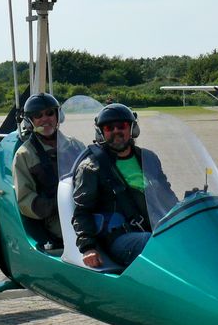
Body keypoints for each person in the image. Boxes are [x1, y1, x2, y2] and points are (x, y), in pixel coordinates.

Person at [71, 103, 176, 268]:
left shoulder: (148, 158)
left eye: (122, 126)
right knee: (150, 243)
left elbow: (167, 197)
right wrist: (88, 247)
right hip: (119, 237)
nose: (116, 131)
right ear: (101, 133)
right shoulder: (91, 167)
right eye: (109, 128)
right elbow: (82, 212)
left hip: (156, 229)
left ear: (132, 129)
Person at [12, 93, 85, 247]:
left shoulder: (76, 146)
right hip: (57, 219)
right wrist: (59, 205)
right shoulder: (25, 155)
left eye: (50, 113)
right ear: (29, 121)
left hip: (87, 209)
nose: (45, 119)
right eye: (38, 115)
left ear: (59, 116)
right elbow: (25, 200)